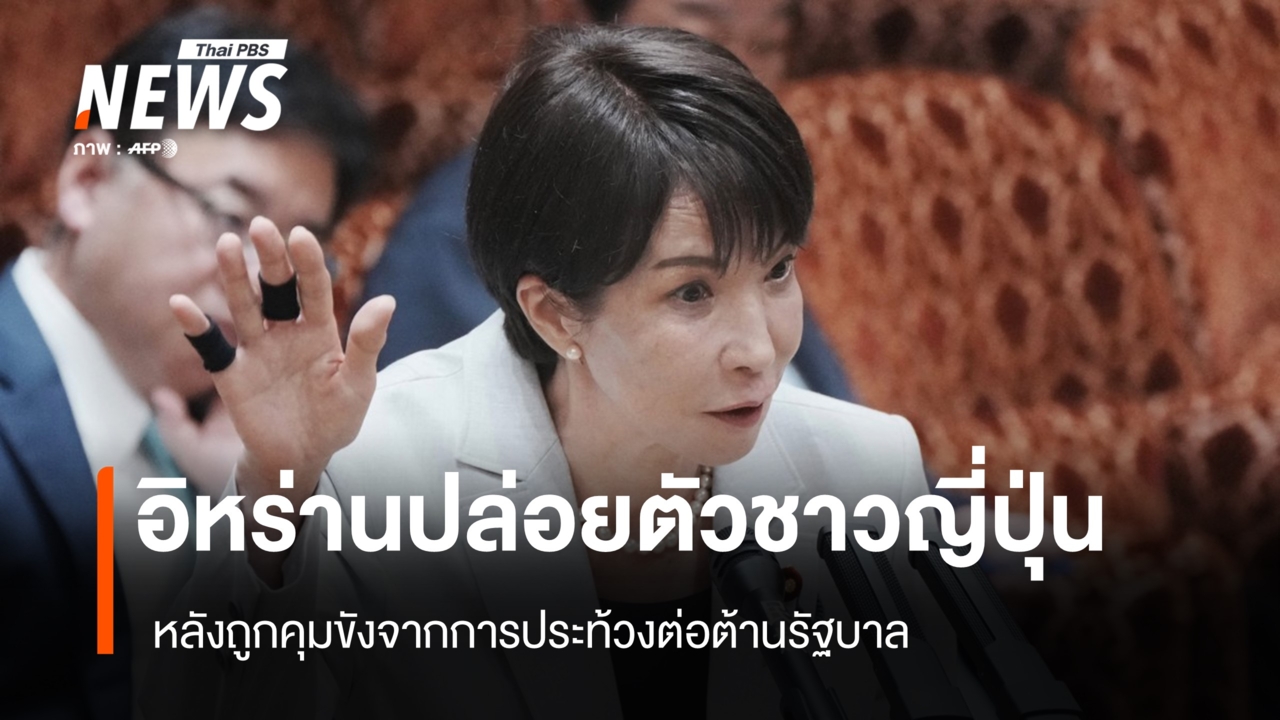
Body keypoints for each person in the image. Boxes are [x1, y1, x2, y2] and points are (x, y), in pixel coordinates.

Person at [154, 25, 955, 719]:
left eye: (777, 270)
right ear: (554, 314)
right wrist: (277, 495)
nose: (759, 347)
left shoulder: (864, 470)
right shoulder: (372, 468)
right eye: (692, 292)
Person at [0, 8, 370, 718]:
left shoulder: (241, 455)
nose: (264, 280)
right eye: (230, 217)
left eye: (296, 250)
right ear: (88, 180)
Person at [361, 0, 855, 402]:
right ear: (598, 28)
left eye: (768, 44)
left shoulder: (743, 193)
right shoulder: (460, 231)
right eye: (704, 31)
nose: (739, 69)